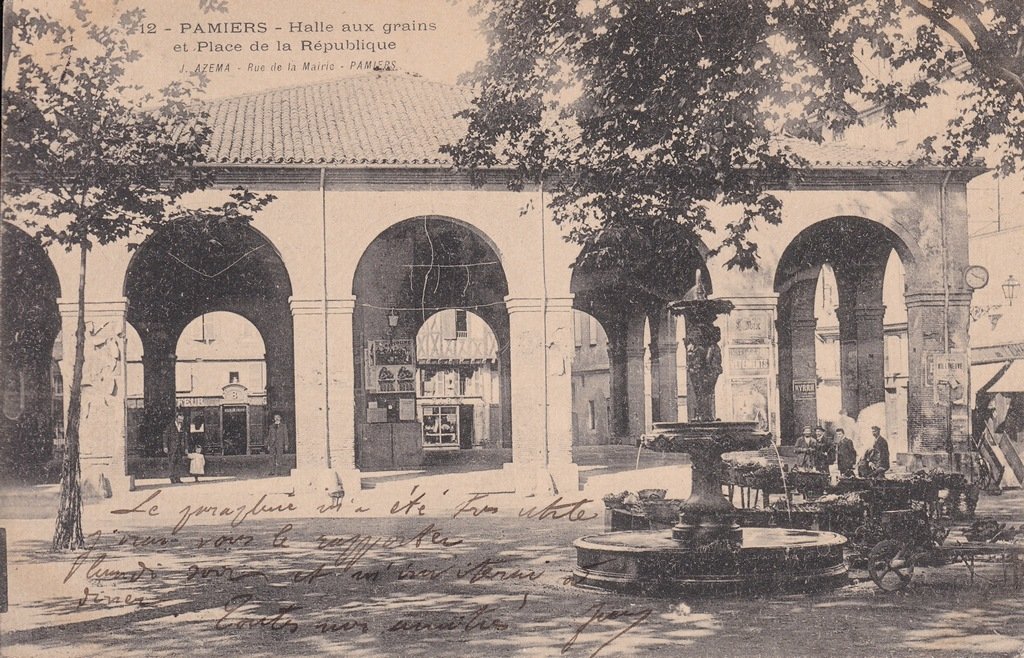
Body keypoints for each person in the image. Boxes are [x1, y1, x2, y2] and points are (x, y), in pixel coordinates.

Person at [162, 411, 188, 484]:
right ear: (176, 418)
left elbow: (185, 438)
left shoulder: (183, 426)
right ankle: (172, 478)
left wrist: (186, 448)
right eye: (179, 420)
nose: (181, 421)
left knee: (179, 463)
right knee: (172, 463)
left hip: (180, 448)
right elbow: (165, 436)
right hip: (171, 448)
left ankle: (178, 478)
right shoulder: (170, 426)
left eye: (182, 420)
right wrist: (165, 446)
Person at [266, 412, 288, 477]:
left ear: (280, 418)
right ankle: (272, 471)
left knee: (279, 458)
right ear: (274, 418)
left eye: (278, 417)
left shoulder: (283, 426)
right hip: (272, 444)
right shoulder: (271, 426)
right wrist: (268, 445)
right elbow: (269, 436)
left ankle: (279, 471)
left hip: (280, 444)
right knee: (271, 458)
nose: (276, 418)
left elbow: (286, 436)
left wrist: (286, 444)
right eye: (275, 417)